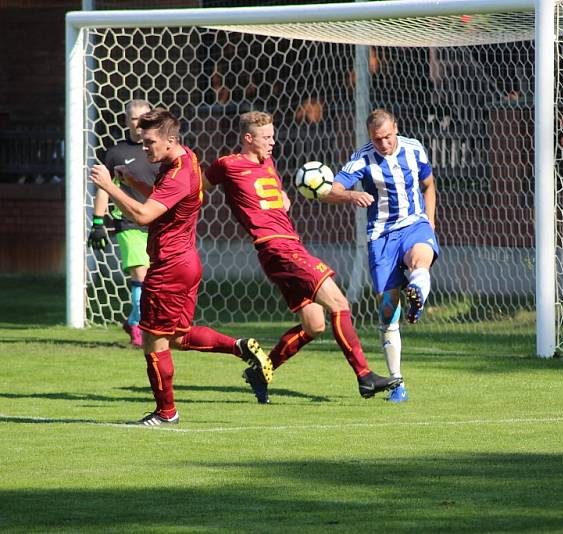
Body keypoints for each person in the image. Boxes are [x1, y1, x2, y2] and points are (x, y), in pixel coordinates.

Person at [89, 108, 272, 426]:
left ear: (170, 140)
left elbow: (145, 216)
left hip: (168, 267)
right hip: (186, 262)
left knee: (152, 340)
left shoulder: (176, 173)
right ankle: (239, 346)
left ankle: (166, 412)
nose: (144, 149)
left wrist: (110, 187)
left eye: (149, 143)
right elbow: (165, 202)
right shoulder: (187, 159)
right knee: (176, 337)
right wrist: (131, 181)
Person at [203, 111, 400, 404]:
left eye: (272, 135)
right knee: (339, 304)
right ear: (248, 139)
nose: (273, 142)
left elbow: (273, 194)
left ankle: (261, 371)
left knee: (314, 325)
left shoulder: (267, 162)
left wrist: (283, 197)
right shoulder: (227, 165)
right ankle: (364, 377)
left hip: (288, 246)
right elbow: (199, 189)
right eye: (266, 137)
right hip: (277, 248)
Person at [324, 108, 440, 403]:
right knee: (388, 311)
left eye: (388, 137)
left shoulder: (415, 149)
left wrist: (430, 221)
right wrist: (351, 195)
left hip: (415, 225)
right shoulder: (362, 159)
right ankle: (397, 383)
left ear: (396, 129)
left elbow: (429, 185)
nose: (384, 144)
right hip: (381, 237)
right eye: (378, 140)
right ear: (370, 137)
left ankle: (417, 291)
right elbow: (332, 190)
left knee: (420, 259)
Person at [88, 100, 159, 348]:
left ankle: (133, 320)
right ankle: (141, 329)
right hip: (128, 222)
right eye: (133, 117)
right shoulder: (116, 153)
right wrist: (98, 222)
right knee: (142, 276)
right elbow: (104, 189)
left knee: (155, 280)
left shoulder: (159, 151)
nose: (138, 122)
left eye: (143, 117)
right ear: (127, 121)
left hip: (155, 223)